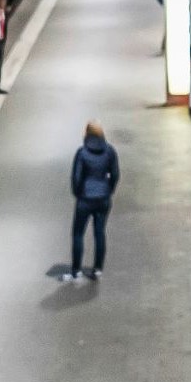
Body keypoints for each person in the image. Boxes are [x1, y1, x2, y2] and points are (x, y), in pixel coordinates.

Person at [67, 120, 120, 281]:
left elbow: (76, 177)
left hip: (85, 198)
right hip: (103, 198)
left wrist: (78, 193)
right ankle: (97, 268)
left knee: (78, 233)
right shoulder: (110, 151)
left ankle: (76, 270)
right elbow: (116, 174)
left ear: (86, 133)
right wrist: (108, 190)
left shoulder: (82, 153)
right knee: (99, 233)